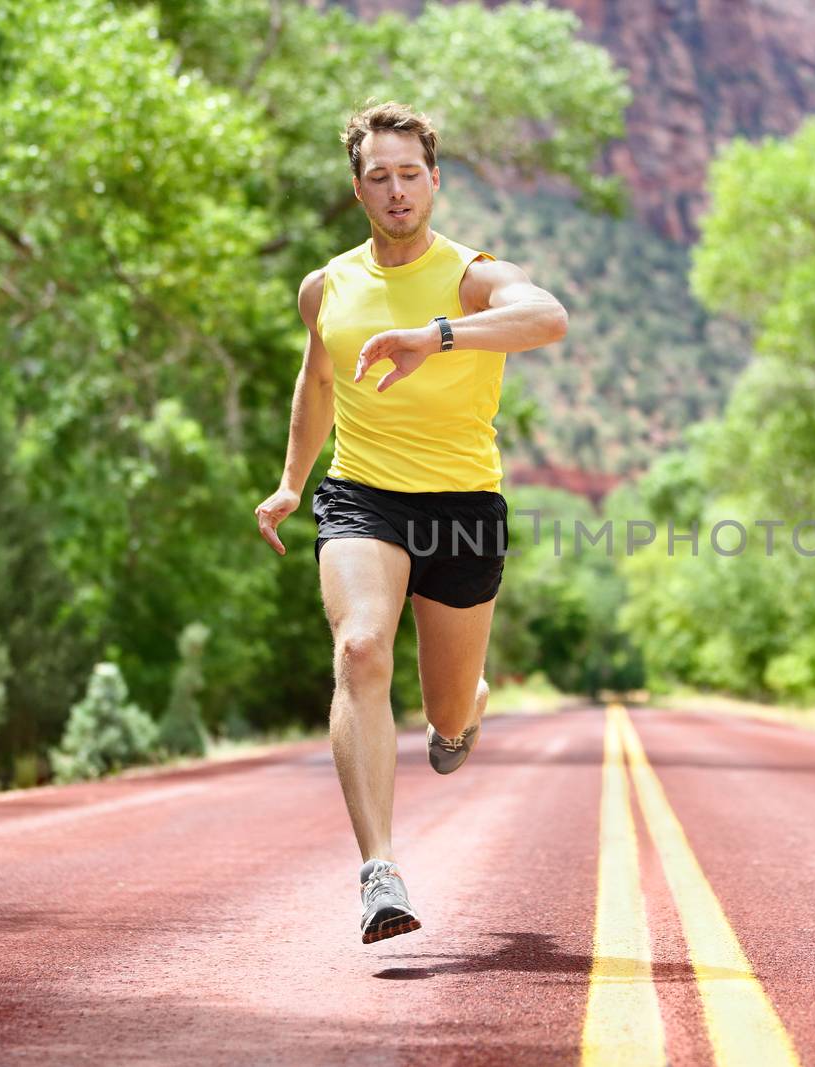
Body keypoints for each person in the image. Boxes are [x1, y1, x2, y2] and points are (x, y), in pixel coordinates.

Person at [252, 100, 568, 945]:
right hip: (364, 496)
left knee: (447, 715)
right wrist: (292, 482)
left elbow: (548, 316)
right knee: (360, 647)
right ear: (359, 191)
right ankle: (379, 872)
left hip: (463, 508)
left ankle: (463, 711)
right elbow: (316, 385)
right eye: (379, 177)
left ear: (435, 181)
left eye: (411, 174)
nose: (397, 191)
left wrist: (439, 335)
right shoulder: (327, 285)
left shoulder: (472, 274)